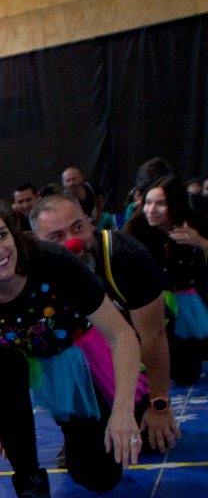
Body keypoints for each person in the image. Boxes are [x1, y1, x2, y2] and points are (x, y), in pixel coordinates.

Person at [0, 199, 143, 498]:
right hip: (7, 359)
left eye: (1, 235)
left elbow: (122, 335)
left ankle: (71, 433)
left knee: (100, 477)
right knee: (5, 366)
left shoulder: (54, 262)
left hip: (65, 353)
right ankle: (31, 485)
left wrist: (122, 411)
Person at [29, 193, 179, 452]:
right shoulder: (27, 270)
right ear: (37, 242)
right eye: (56, 237)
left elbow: (153, 336)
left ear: (91, 222)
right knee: (92, 458)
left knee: (146, 443)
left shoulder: (127, 257)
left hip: (132, 353)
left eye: (78, 228)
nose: (72, 242)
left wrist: (159, 404)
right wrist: (10, 421)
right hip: (75, 357)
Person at [122, 174, 208, 386]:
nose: (151, 209)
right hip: (152, 306)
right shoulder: (136, 231)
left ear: (175, 204)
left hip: (191, 305)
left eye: (160, 203)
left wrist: (201, 243)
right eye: (148, 202)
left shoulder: (197, 224)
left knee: (187, 374)